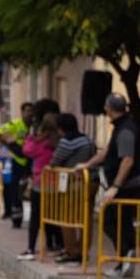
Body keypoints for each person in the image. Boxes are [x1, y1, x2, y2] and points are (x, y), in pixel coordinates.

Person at [76, 93, 140, 279]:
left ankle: (126, 255)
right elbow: (107, 153)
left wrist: (115, 186)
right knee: (123, 223)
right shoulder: (121, 127)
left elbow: (127, 160)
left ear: (109, 109)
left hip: (127, 187)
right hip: (126, 185)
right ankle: (125, 262)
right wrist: (87, 164)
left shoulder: (125, 130)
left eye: (106, 107)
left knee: (109, 221)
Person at [49, 113, 98, 265]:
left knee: (67, 217)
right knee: (86, 218)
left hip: (74, 183)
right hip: (93, 182)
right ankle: (83, 250)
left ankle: (71, 252)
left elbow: (54, 162)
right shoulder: (87, 139)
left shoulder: (66, 142)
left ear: (61, 129)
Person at [20, 112, 62, 260]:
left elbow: (26, 150)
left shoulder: (39, 142)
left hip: (40, 183)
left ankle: (31, 247)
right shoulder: (59, 141)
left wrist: (32, 136)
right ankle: (58, 244)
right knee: (54, 215)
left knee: (36, 216)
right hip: (58, 184)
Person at [0, 102, 33, 228]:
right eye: (27, 111)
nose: (30, 114)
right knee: (16, 191)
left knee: (30, 191)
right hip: (18, 162)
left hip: (31, 161)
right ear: (22, 112)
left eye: (32, 111)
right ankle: (16, 219)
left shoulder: (34, 126)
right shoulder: (16, 124)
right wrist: (9, 145)